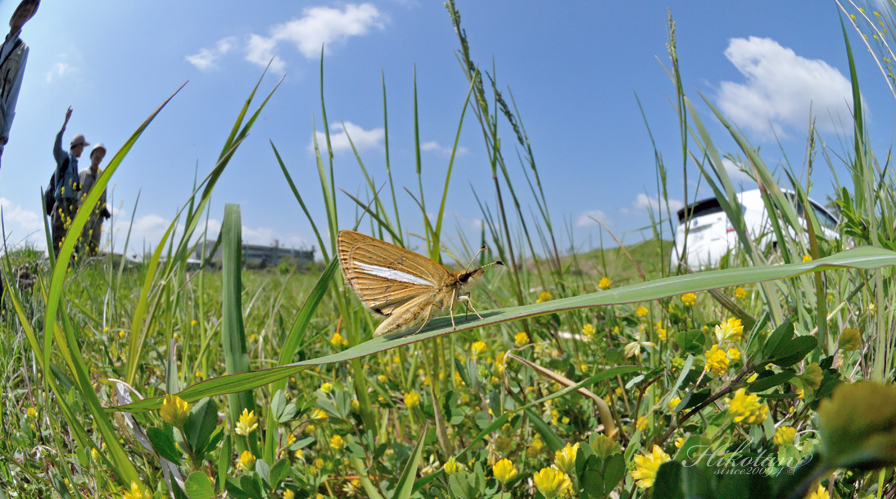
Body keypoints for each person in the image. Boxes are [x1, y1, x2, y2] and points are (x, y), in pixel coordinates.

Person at [0, 0, 39, 171]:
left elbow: (14, 91)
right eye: (22, 8)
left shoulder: (22, 49)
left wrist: (4, 135)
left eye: (28, 12)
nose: (24, 12)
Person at [51, 107, 88, 256]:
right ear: (77, 146)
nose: (83, 150)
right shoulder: (64, 158)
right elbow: (56, 148)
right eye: (82, 147)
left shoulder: (76, 166)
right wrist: (64, 124)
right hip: (61, 205)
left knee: (71, 243)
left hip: (72, 207)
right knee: (58, 240)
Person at [78, 143, 111, 255]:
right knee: (80, 246)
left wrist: (104, 210)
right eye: (96, 153)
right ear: (91, 156)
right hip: (81, 216)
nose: (98, 155)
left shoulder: (102, 176)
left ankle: (91, 269)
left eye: (101, 154)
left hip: (96, 218)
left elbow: (103, 197)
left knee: (94, 246)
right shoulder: (81, 174)